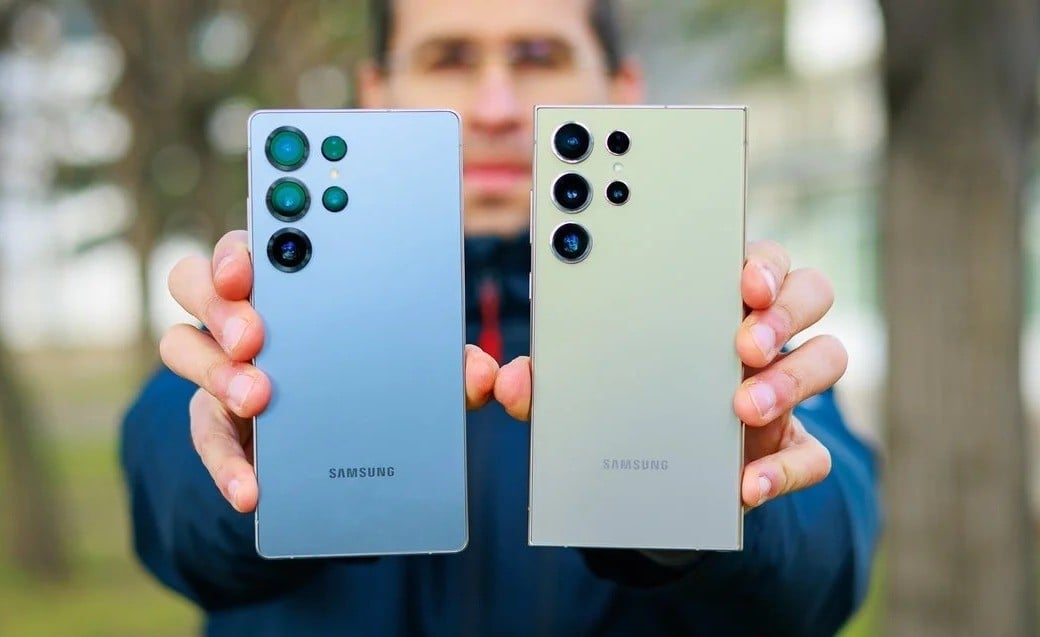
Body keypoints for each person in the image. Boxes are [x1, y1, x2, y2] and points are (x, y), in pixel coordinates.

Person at [121, 0, 881, 635]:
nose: (496, 108)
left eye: (540, 56)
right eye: (449, 58)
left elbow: (823, 568)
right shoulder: (264, 324)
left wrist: (716, 495)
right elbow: (171, 502)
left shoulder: (724, 324)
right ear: (376, 91)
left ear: (623, 89)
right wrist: (253, 460)